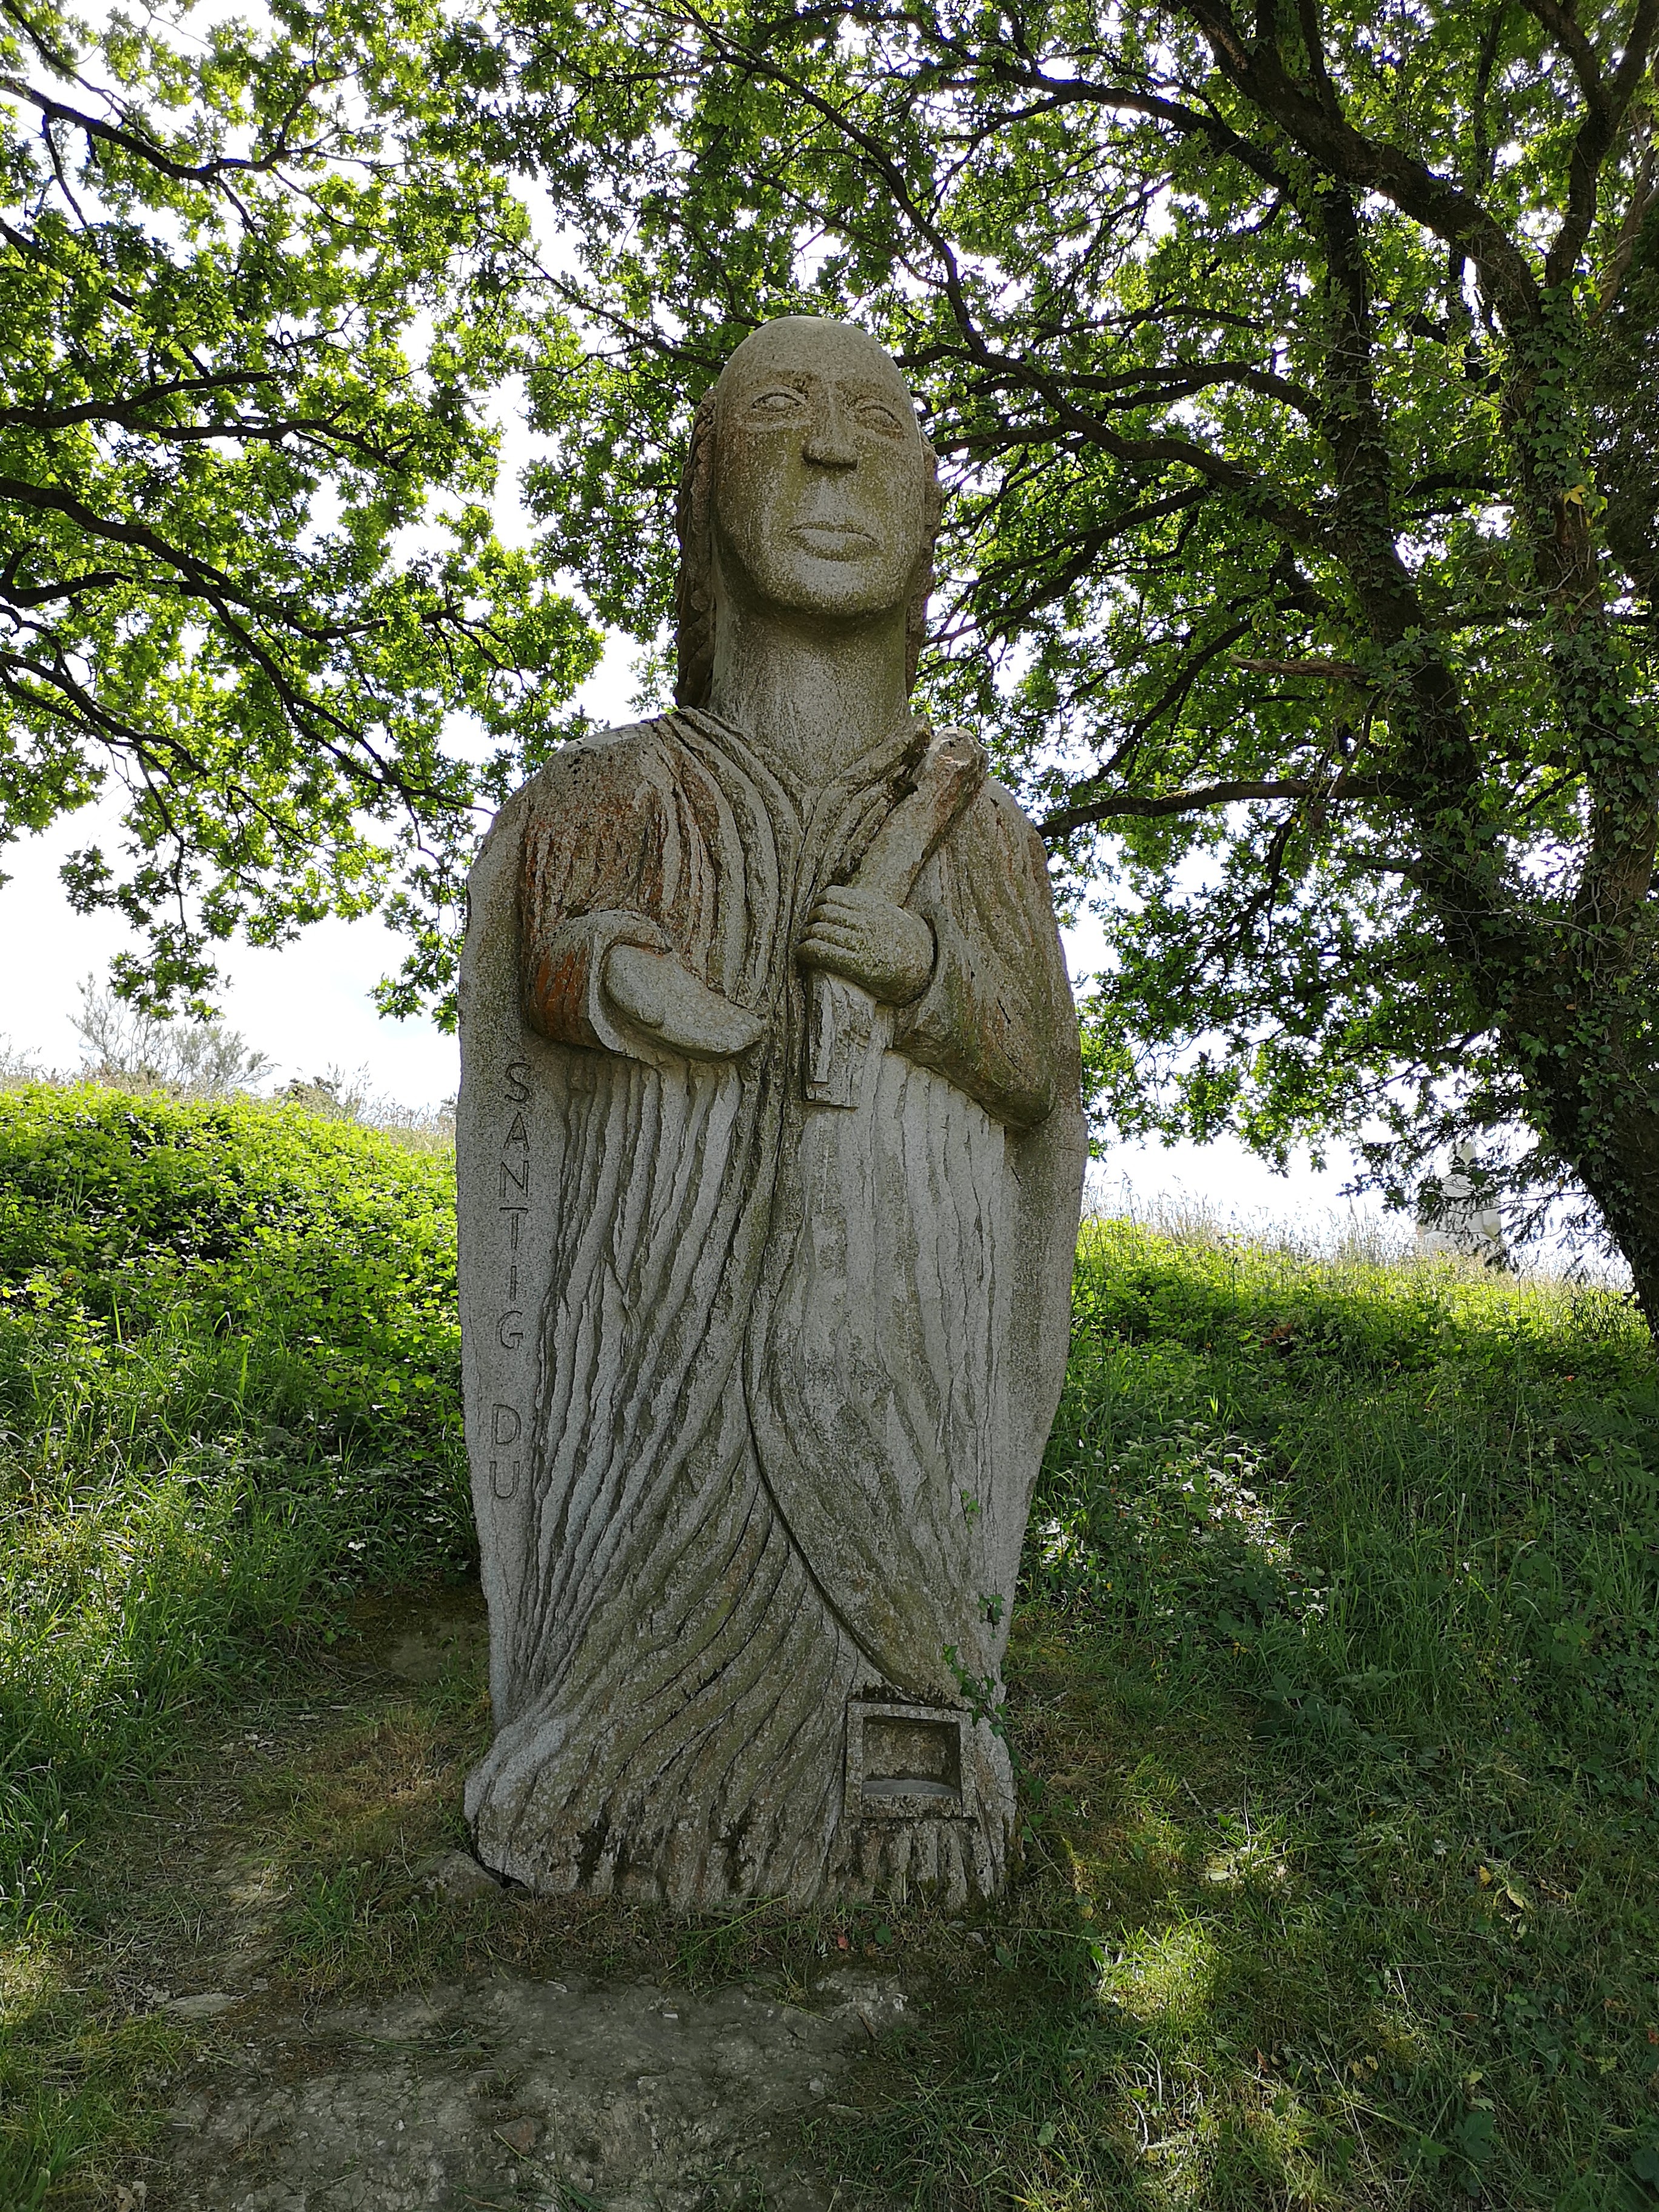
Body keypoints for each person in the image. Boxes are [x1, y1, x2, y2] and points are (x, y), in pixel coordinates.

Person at [461, 317, 1085, 1905]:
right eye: (782, 414)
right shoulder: (604, 791)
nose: (830, 450)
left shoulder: (978, 827)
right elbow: (550, 961)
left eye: (878, 421)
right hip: (662, 1305)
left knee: (889, 1572)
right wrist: (623, 976)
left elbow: (1035, 1069)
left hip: (898, 1325)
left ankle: (916, 1782)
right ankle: (610, 1770)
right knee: (660, 1550)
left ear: (929, 512)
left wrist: (927, 973)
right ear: (704, 499)